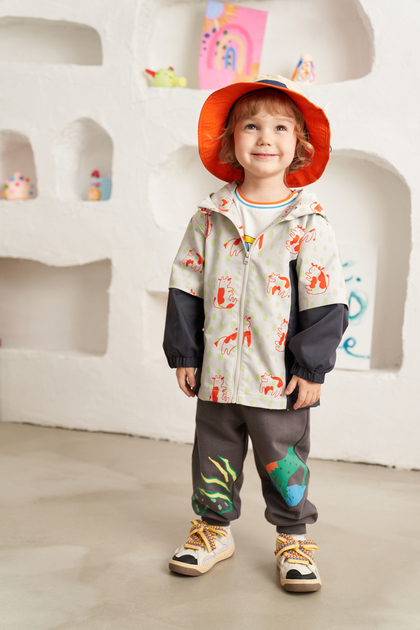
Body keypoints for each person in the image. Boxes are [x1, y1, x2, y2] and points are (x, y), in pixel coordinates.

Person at [163, 74, 348, 592]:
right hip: (218, 373)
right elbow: (185, 286)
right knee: (212, 454)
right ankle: (213, 530)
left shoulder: (308, 222)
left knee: (283, 461)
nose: (265, 137)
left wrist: (311, 368)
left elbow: (325, 298)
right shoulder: (210, 216)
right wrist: (186, 353)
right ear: (231, 141)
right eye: (251, 126)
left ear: (299, 145)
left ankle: (293, 538)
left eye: (280, 127)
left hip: (278, 379)